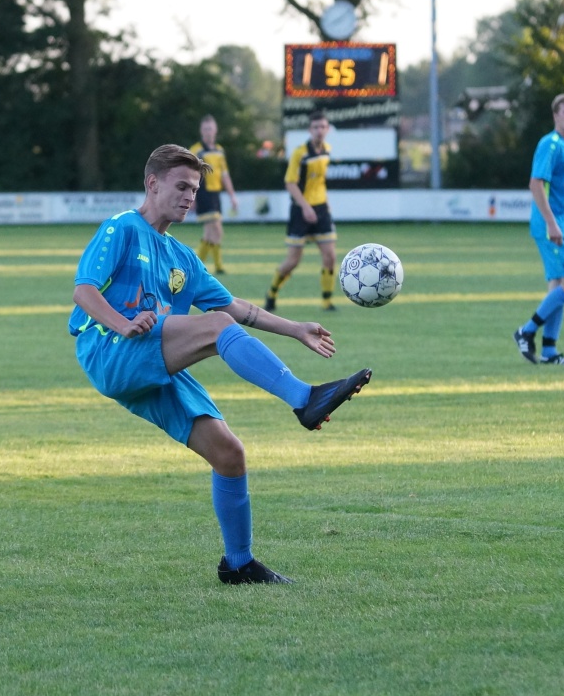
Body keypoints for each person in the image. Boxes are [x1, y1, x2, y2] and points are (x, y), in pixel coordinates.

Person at [70, 144, 371, 585]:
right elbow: (84, 292)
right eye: (181, 186)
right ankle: (305, 398)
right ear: (152, 184)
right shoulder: (122, 229)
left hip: (149, 358)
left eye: (194, 188)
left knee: (229, 453)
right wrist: (124, 323)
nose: (190, 196)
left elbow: (236, 307)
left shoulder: (182, 258)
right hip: (109, 349)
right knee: (213, 327)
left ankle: (238, 563)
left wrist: (294, 328)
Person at [513, 94, 564, 366]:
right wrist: (553, 224)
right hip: (548, 224)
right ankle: (526, 331)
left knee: (557, 286)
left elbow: (561, 194)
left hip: (560, 223)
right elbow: (535, 185)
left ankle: (549, 351)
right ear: (556, 116)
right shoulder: (550, 144)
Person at [265, 109, 338, 312]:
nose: (319, 131)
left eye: (323, 127)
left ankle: (327, 301)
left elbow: (319, 182)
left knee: (330, 256)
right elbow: (290, 183)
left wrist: (325, 205)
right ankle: (272, 293)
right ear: (309, 129)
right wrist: (306, 207)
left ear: (328, 129)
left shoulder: (327, 150)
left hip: (322, 209)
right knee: (293, 261)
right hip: (300, 210)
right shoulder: (300, 153)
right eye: (316, 127)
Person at [189, 115, 239, 274]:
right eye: (205, 129)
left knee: (211, 232)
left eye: (210, 128)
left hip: (215, 194)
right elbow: (190, 175)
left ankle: (198, 267)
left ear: (215, 130)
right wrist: (192, 196)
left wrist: (232, 196)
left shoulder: (219, 150)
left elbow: (225, 175)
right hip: (202, 192)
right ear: (201, 131)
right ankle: (214, 266)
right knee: (216, 229)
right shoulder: (196, 150)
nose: (208, 132)